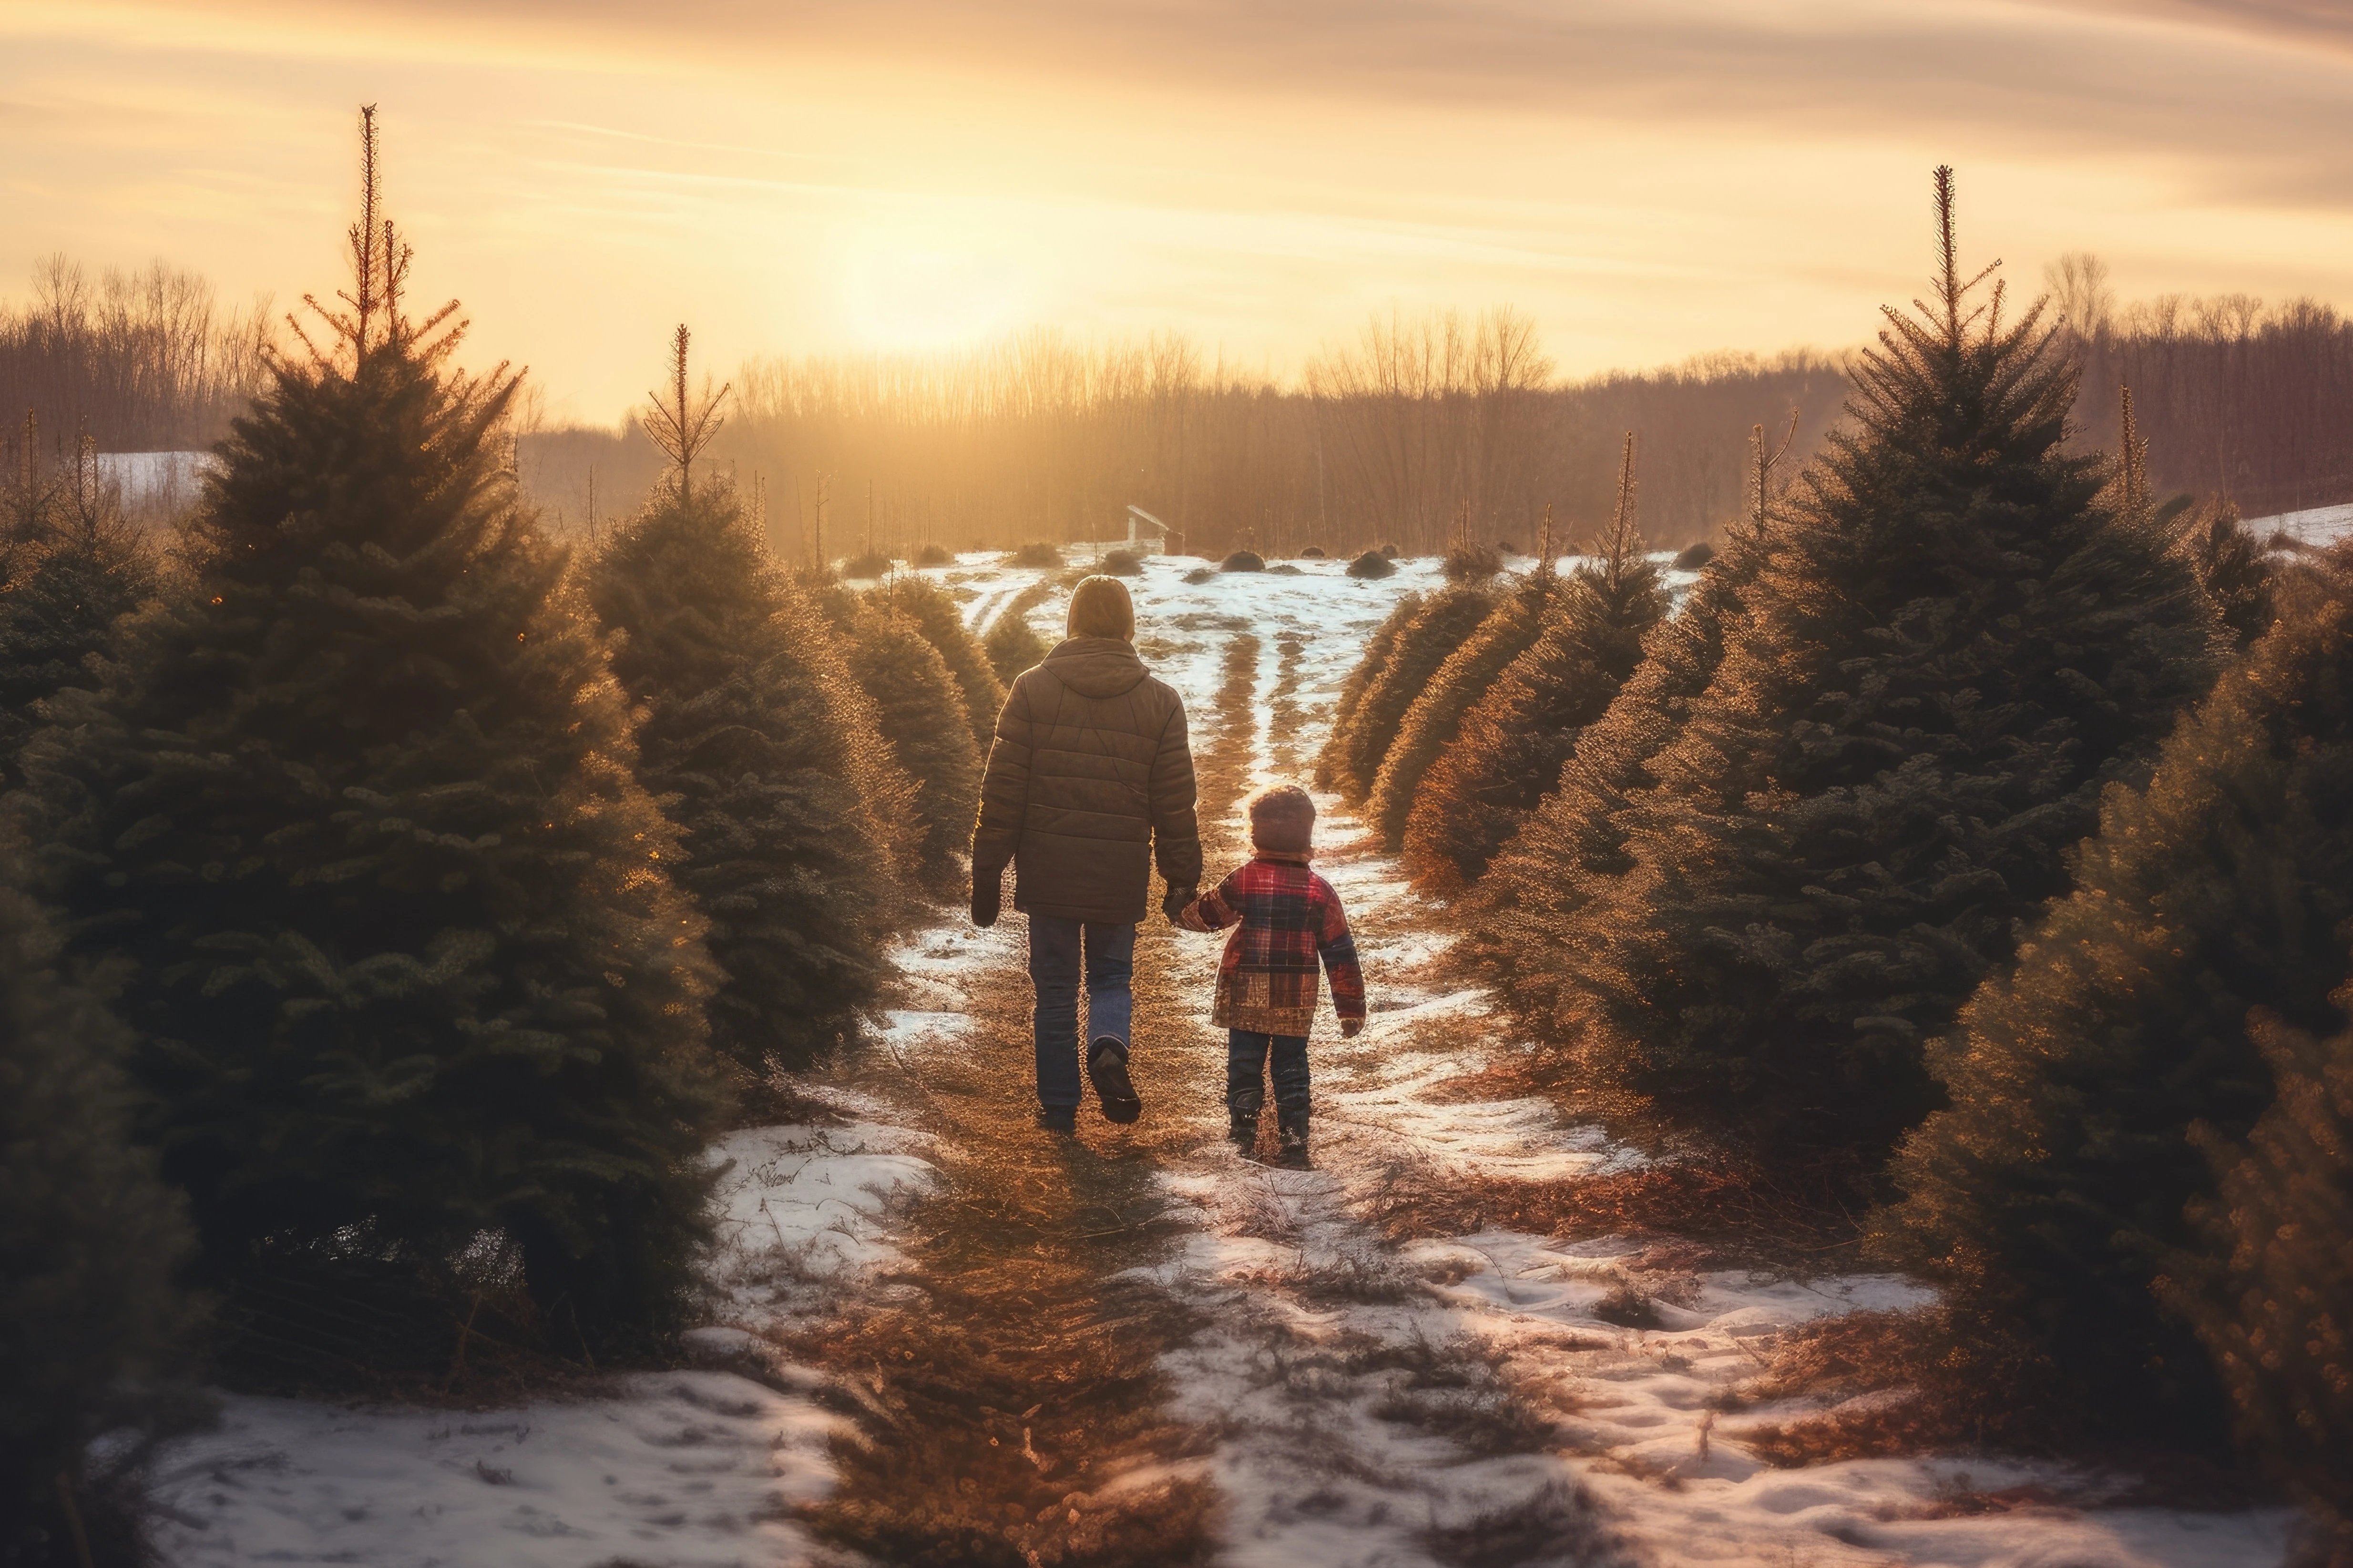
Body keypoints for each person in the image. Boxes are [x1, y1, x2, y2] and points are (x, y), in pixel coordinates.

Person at [969, 575, 1201, 1133]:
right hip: (1116, 874)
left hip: (1048, 870)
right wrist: (1180, 879)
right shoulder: (1162, 700)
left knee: (1053, 989)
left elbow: (1002, 788)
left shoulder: (1031, 688)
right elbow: (1175, 802)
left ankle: (1057, 1108)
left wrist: (986, 868)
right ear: (1128, 624)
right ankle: (1107, 1049)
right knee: (1111, 976)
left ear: (1071, 621)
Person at [1176, 784, 1365, 1165]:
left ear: (1256, 832)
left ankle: (1243, 1138)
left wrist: (1180, 909)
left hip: (1245, 990)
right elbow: (1340, 952)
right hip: (1294, 999)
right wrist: (1351, 1008)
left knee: (1244, 1065)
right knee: (1292, 1068)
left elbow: (1208, 917)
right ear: (1306, 834)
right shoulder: (1319, 891)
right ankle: (1294, 1142)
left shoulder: (1245, 879)